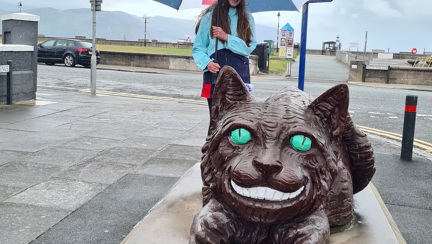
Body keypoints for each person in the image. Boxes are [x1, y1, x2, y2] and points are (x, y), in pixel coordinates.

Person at [192, 0, 257, 117]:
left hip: (240, 75)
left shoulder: (248, 18)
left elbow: (249, 47)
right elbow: (198, 48)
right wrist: (207, 63)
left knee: (238, 122)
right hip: (215, 74)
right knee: (216, 122)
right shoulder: (209, 18)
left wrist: (227, 37)